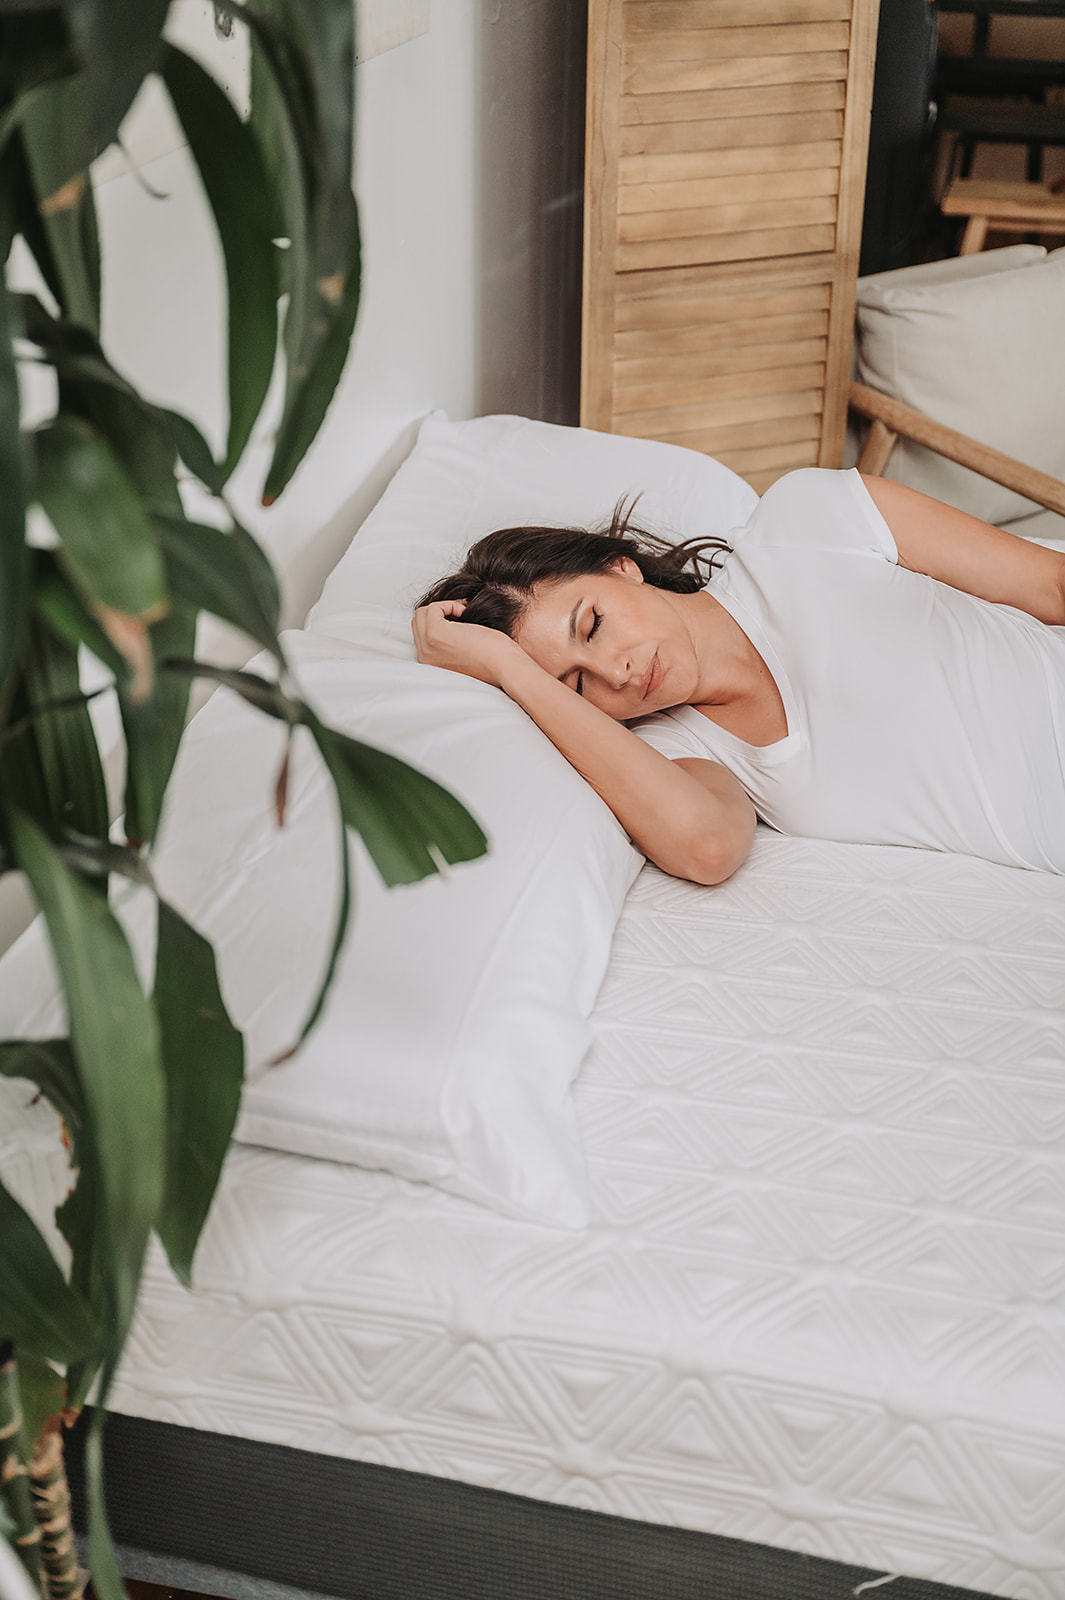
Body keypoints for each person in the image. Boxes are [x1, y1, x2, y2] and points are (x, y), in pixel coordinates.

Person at [411, 466, 1065, 884]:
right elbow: (706, 849)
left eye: (593, 625)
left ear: (619, 568)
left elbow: (1051, 585)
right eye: (576, 686)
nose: (617, 672)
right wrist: (509, 672)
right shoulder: (673, 751)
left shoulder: (806, 522)